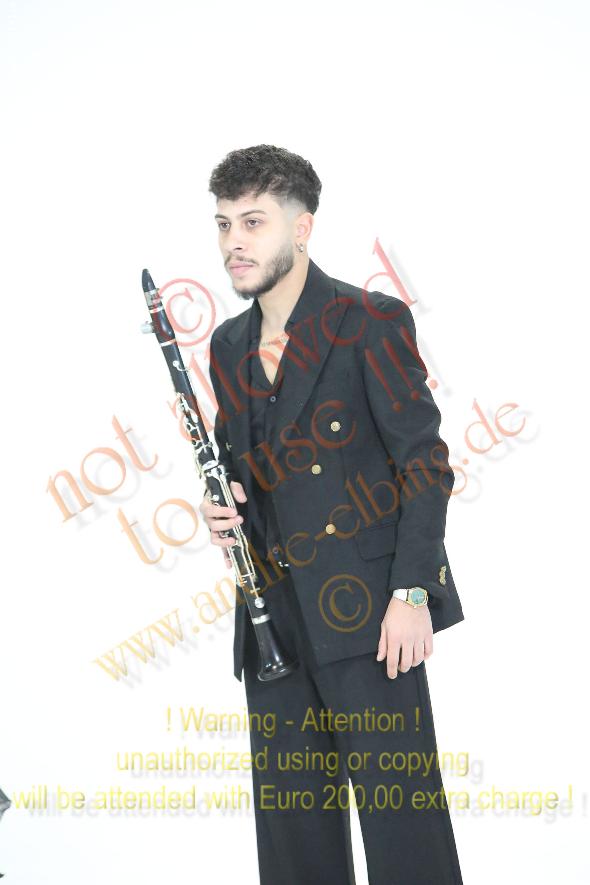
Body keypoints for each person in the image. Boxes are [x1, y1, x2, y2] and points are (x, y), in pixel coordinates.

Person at [200, 144, 465, 884]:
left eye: (253, 222)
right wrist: (220, 507)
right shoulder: (227, 343)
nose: (233, 242)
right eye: (223, 224)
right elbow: (239, 466)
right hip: (272, 622)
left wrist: (413, 592)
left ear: (301, 226)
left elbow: (425, 464)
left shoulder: (368, 320)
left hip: (372, 618)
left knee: (404, 832)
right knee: (294, 847)